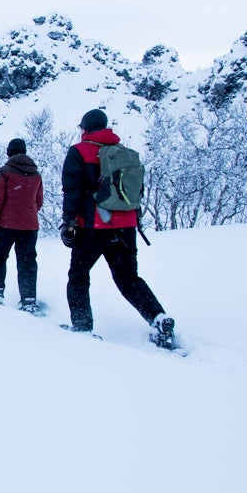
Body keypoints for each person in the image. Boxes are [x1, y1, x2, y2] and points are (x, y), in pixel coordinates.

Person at [61, 108, 176, 348]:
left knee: (79, 275)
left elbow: (72, 190)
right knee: (128, 278)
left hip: (92, 226)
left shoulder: (79, 151)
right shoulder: (125, 153)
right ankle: (158, 317)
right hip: (125, 227)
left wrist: (68, 221)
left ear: (85, 128)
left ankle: (82, 326)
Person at [0, 138, 44, 311]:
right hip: (30, 225)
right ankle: (28, 299)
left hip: (7, 223)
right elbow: (38, 201)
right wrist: (27, 212)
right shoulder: (36, 174)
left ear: (9, 153)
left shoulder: (5, 171)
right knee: (27, 261)